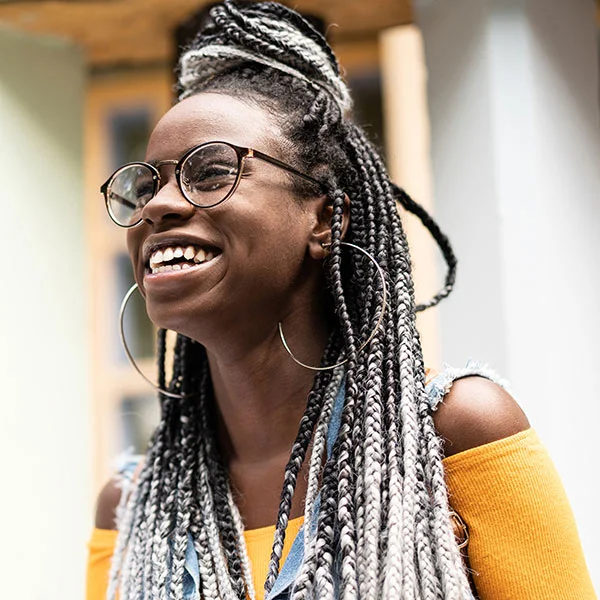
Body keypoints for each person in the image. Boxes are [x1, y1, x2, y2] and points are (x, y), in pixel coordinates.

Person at [86, 2, 596, 599]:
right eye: (146, 185)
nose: (157, 206)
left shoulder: (456, 432)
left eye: (211, 172)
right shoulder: (128, 505)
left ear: (325, 219)